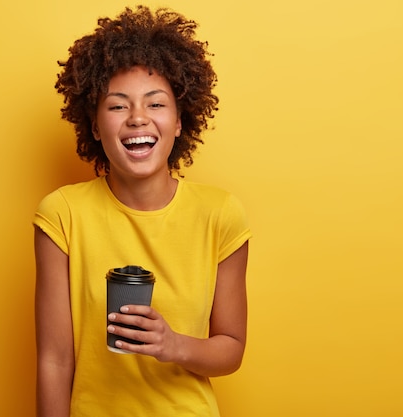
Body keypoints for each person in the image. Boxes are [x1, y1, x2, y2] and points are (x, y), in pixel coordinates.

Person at [34, 6, 251, 417]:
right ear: (95, 126)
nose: (137, 118)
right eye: (117, 106)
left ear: (180, 121)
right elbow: (54, 360)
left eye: (155, 104)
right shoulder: (62, 214)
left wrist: (173, 345)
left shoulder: (220, 214)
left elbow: (231, 349)